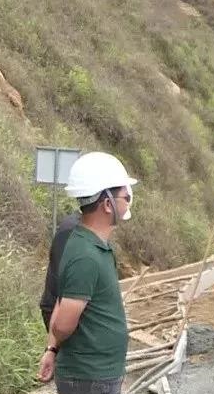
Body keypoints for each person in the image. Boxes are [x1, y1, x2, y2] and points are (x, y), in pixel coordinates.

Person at [37, 152, 138, 394]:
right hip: (89, 378)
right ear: (107, 204)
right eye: (125, 196)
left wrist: (52, 349)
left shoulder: (91, 245)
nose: (129, 201)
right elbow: (63, 323)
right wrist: (56, 341)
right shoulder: (86, 256)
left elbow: (62, 298)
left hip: (96, 375)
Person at [39, 212, 81, 331]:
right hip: (61, 311)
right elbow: (64, 280)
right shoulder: (73, 230)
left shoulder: (79, 227)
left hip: (66, 309)